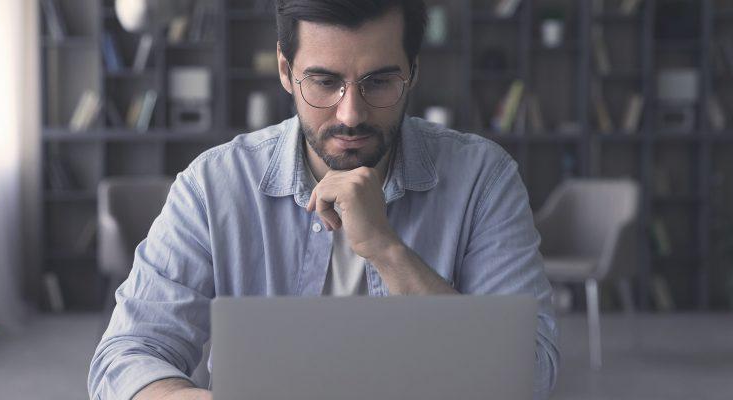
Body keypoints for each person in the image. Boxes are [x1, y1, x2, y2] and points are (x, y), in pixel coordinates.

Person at [88, 1, 559, 399]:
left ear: (412, 73)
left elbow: (531, 374)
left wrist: (387, 251)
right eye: (323, 81)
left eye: (378, 82)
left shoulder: (483, 179)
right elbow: (125, 356)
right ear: (284, 71)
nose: (350, 114)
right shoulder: (213, 186)